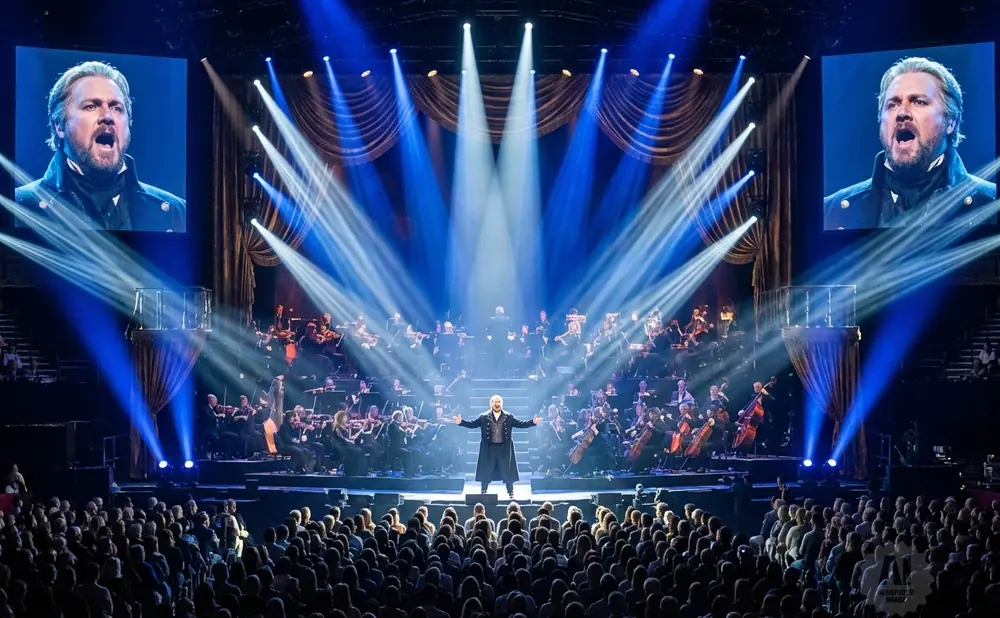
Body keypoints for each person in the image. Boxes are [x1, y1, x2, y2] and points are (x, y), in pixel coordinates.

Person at [824, 56, 995, 230]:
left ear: (950, 121)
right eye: (892, 105)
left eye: (919, 102)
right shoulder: (832, 211)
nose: (902, 112)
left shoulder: (992, 202)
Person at [15, 60, 186, 232]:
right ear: (60, 126)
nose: (107, 116)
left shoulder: (177, 213)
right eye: (91, 106)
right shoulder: (18, 207)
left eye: (116, 108)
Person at [454, 395, 541, 499]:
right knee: (486, 470)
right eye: (495, 402)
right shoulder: (484, 416)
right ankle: (483, 491)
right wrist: (461, 422)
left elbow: (521, 424)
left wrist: (533, 422)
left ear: (501, 404)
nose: (497, 404)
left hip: (504, 448)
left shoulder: (508, 417)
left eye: (499, 402)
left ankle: (511, 492)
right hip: (488, 448)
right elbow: (472, 424)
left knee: (507, 471)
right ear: (491, 403)